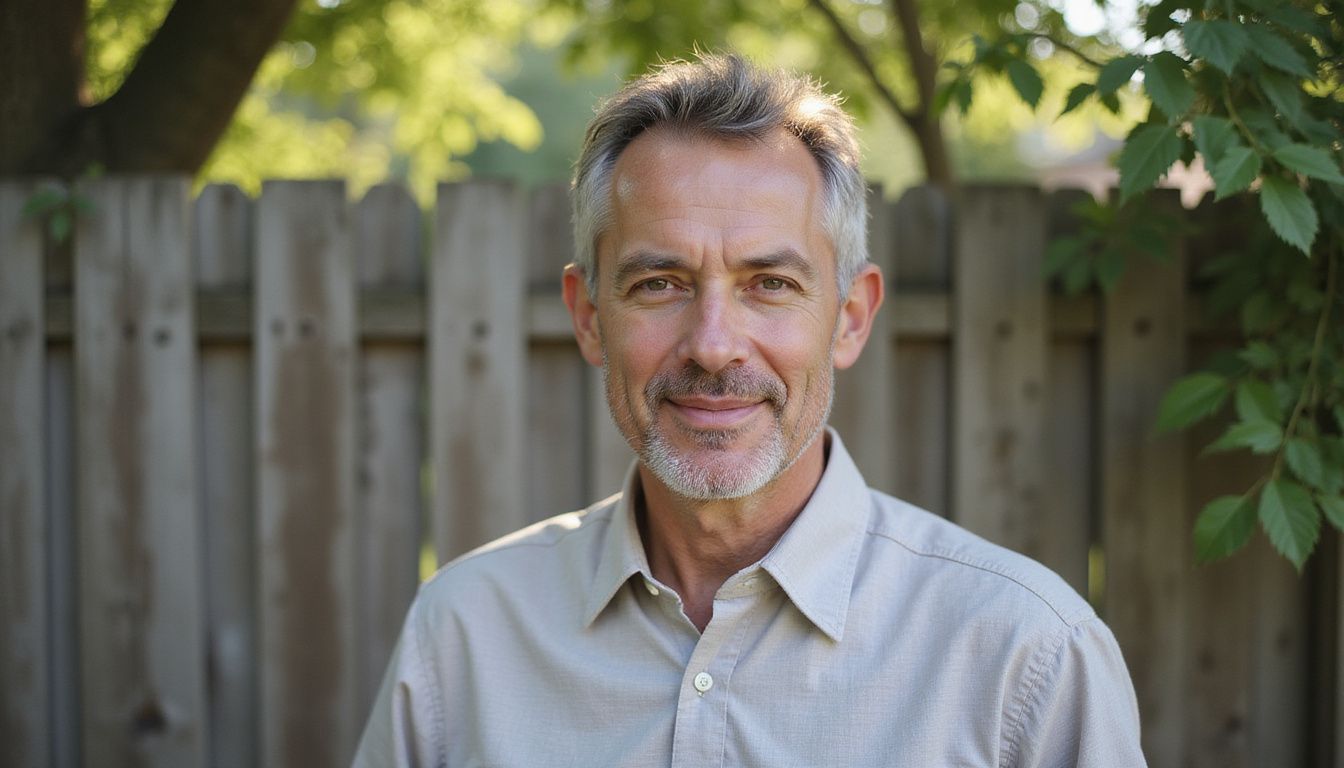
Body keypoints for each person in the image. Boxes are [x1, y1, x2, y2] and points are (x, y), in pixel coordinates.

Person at [352, 53, 1145, 767]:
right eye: (658, 283)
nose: (713, 346)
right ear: (590, 316)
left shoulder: (1025, 657)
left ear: (850, 316)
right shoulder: (463, 636)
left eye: (771, 284)